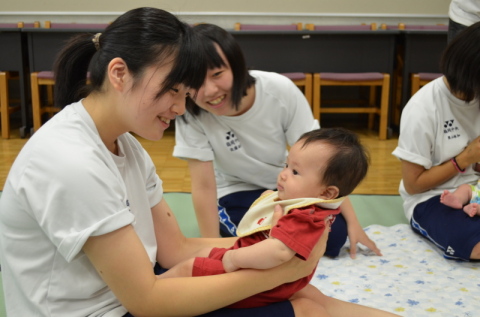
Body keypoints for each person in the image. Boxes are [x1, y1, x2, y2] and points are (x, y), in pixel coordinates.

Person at [0, 7, 329, 317]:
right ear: (119, 74)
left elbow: (176, 248)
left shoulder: (124, 144)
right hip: (105, 309)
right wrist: (285, 269)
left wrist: (277, 245)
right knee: (304, 307)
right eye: (172, 90)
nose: (181, 108)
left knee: (307, 297)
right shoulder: (71, 162)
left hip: (129, 292)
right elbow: (147, 301)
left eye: (185, 94)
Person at [173, 23, 381, 259]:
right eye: (195, 82)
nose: (209, 90)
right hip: (236, 191)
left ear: (236, 65)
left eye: (217, 74)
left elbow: (325, 164)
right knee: (254, 240)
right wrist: (210, 246)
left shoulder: (280, 90)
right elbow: (203, 186)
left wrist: (353, 223)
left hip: (289, 186)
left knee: (334, 239)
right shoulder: (190, 112)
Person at [163, 128, 400, 316]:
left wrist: (233, 258)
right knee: (205, 251)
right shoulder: (310, 208)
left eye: (295, 172)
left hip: (259, 279)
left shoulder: (303, 216)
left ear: (327, 194)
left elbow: (277, 252)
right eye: (287, 165)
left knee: (189, 267)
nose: (284, 174)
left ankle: (154, 288)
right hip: (270, 275)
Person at [392, 21, 480, 261]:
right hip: (432, 197)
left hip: (476, 191)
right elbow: (414, 185)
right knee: (472, 244)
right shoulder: (423, 108)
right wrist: (466, 158)